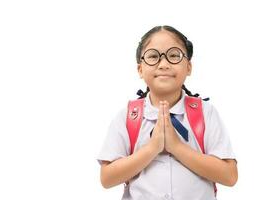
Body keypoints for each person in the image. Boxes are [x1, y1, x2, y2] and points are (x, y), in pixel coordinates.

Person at [97, 25, 238, 200]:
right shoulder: (128, 116)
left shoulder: (205, 113)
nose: (163, 64)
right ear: (140, 69)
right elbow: (107, 178)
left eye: (173, 56)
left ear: (188, 67)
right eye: (153, 57)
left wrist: (176, 147)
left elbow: (230, 176)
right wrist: (152, 148)